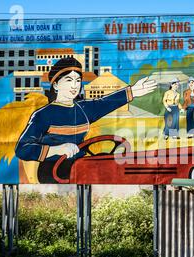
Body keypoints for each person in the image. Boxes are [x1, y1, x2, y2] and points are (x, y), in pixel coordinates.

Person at [15, 57, 157, 183]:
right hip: (54, 171)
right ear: (56, 85)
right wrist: (56, 149)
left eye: (78, 80)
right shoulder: (43, 115)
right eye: (69, 80)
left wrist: (133, 91)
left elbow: (106, 102)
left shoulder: (83, 108)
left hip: (81, 167)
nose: (75, 85)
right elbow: (22, 149)